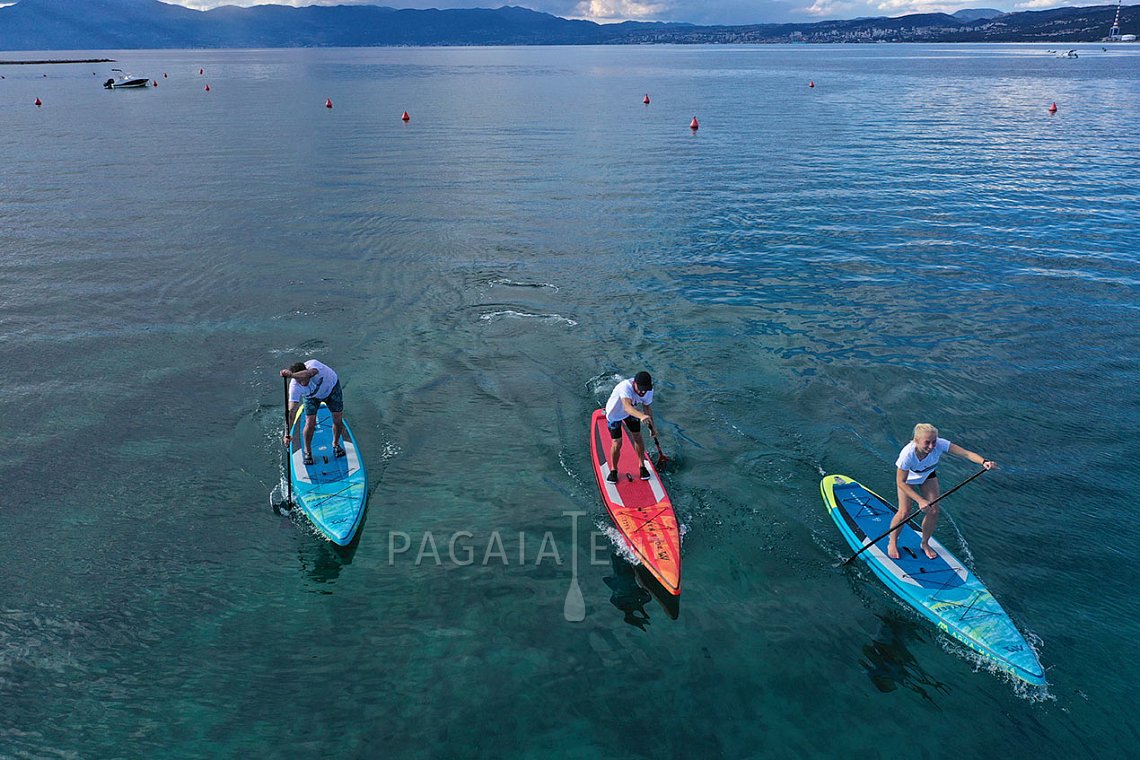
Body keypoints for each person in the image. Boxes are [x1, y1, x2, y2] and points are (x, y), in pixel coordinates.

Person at [888, 423, 997, 560]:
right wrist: (920, 500)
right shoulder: (907, 455)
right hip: (907, 480)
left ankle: (925, 543)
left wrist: (983, 461)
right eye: (927, 442)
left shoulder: (940, 444)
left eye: (934, 441)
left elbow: (966, 453)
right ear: (916, 440)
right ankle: (892, 542)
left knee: (933, 510)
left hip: (927, 475)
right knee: (904, 512)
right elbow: (900, 482)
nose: (932, 446)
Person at [281, 359, 345, 466]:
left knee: (337, 419)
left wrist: (291, 374)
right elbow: (291, 412)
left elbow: (309, 373)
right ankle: (308, 451)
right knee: (310, 423)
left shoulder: (314, 365)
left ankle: (336, 444)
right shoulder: (294, 387)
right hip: (311, 397)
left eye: (304, 379)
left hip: (332, 388)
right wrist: (287, 434)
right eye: (299, 381)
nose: (303, 383)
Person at [603, 371, 656, 483]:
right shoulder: (625, 387)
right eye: (640, 388)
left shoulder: (648, 390)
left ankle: (642, 466)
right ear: (634, 383)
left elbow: (647, 408)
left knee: (637, 436)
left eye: (645, 389)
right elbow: (627, 407)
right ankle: (614, 470)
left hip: (631, 413)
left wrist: (652, 427)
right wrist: (641, 416)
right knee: (617, 442)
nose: (642, 392)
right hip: (614, 414)